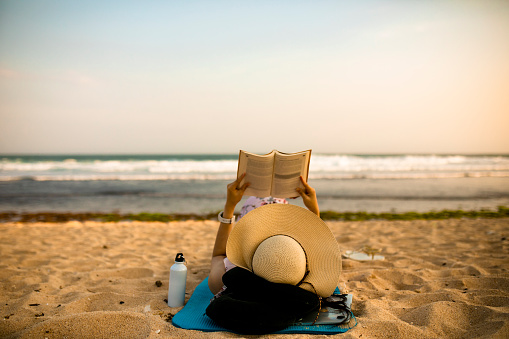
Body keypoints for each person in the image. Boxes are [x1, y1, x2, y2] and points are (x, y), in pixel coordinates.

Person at [206, 173, 342, 334]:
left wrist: (229, 206)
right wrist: (313, 211)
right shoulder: (311, 287)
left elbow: (218, 255)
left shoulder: (224, 277)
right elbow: (317, 246)